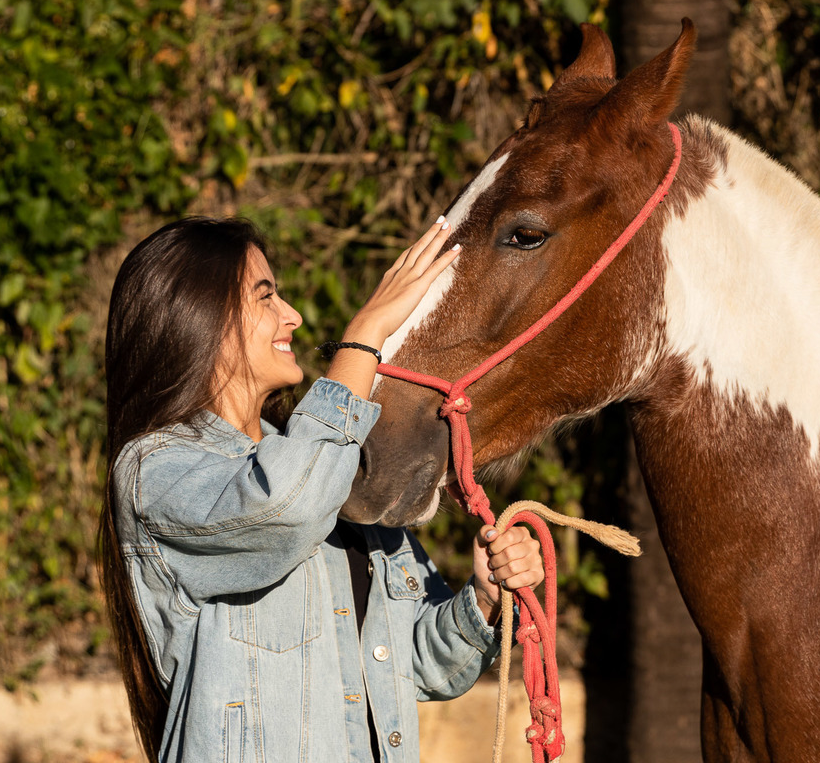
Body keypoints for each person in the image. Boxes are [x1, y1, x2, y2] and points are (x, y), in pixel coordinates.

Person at [99, 216, 545, 762]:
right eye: (266, 297)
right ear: (199, 316)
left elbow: (420, 666)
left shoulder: (328, 466)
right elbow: (284, 508)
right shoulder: (157, 469)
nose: (294, 316)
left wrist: (483, 595)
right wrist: (367, 334)